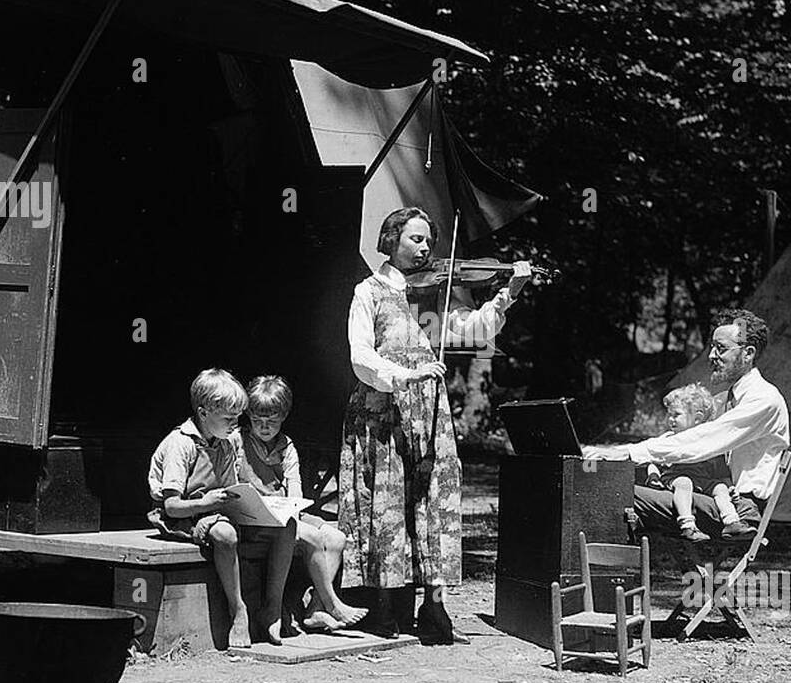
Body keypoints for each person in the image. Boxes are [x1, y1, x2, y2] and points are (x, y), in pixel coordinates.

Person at [341, 206, 531, 643]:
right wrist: (406, 375)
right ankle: (383, 606)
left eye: (429, 240)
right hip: (382, 409)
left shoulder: (433, 295)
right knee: (385, 504)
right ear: (391, 240)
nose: (426, 248)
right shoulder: (367, 291)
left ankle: (435, 603)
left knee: (434, 498)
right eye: (416, 239)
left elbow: (474, 330)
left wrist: (509, 293)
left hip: (428, 411)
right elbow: (360, 355)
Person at [583, 309, 789, 538]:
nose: (711, 356)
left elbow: (700, 442)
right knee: (623, 484)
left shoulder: (764, 400)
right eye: (712, 347)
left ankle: (600, 563)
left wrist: (627, 453)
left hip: (738, 512)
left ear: (748, 353)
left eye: (721, 348)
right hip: (715, 496)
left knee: (620, 493)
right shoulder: (724, 399)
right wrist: (613, 452)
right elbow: (677, 439)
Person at [148, 368, 296, 648]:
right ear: (204, 413)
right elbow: (171, 506)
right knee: (226, 535)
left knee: (285, 525)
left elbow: (231, 489)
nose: (234, 424)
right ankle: (238, 609)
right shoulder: (181, 444)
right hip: (186, 515)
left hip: (216, 510)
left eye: (237, 418)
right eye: (228, 418)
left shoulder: (225, 444)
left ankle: (273, 607)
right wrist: (205, 503)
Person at [237, 374, 367, 632]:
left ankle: (316, 609)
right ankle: (333, 604)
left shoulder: (286, 447)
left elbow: (295, 492)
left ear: (283, 417)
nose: (264, 427)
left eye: (271, 421)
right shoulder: (239, 442)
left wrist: (291, 505)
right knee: (313, 539)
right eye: (257, 420)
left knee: (338, 538)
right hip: (255, 515)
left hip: (283, 511)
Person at [646, 382, 755, 543]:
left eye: (676, 415)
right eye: (669, 415)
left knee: (720, 487)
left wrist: (729, 486)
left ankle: (732, 522)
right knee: (684, 483)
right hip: (675, 478)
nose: (670, 419)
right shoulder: (669, 439)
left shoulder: (708, 442)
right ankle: (688, 525)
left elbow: (720, 469)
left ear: (697, 418)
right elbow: (652, 459)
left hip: (702, 481)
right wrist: (653, 476)